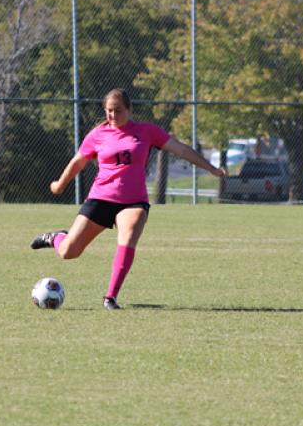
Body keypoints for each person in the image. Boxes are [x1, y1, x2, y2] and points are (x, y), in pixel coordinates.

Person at [30, 88, 227, 310]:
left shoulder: (146, 131)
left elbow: (180, 150)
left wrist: (210, 168)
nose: (113, 115)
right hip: (101, 198)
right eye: (109, 111)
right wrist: (59, 184)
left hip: (133, 201)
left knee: (129, 234)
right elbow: (78, 162)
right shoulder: (97, 135)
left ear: (129, 109)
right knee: (68, 252)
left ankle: (110, 298)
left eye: (118, 111)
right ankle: (55, 238)